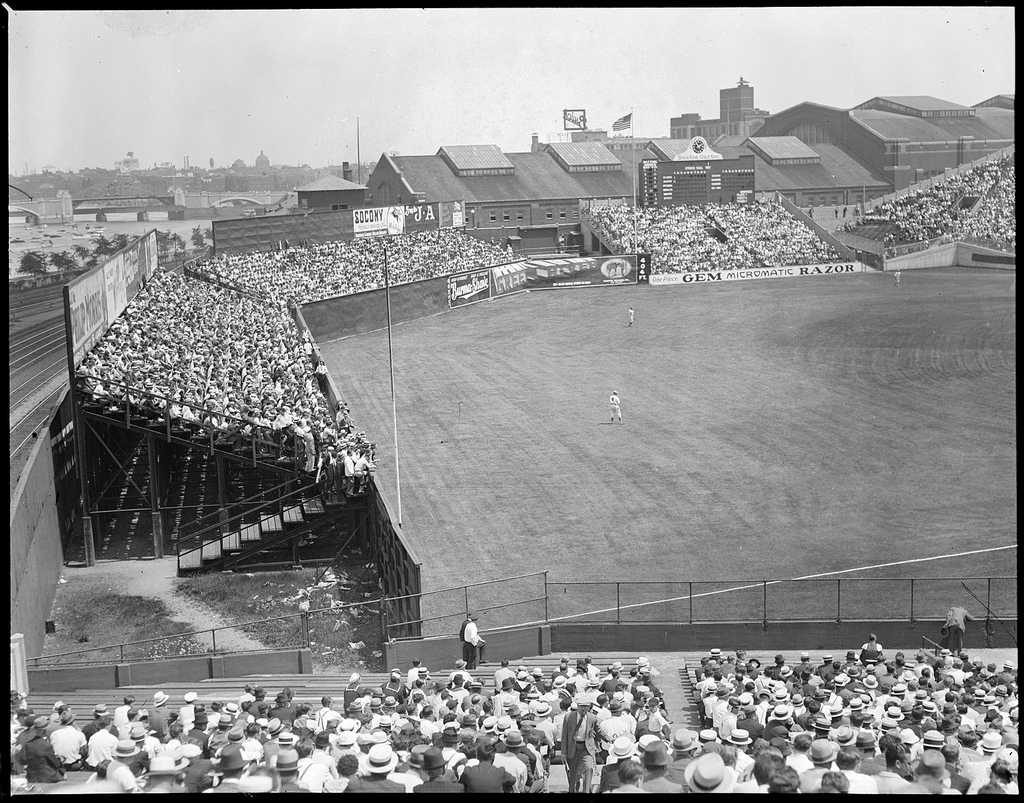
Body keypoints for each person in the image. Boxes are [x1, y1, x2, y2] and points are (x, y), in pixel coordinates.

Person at [562, 694, 600, 793]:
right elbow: (564, 735)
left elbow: (599, 731)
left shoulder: (592, 718)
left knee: (588, 768)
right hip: (573, 748)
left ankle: (586, 791)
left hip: (586, 749)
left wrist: (609, 739)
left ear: (589, 706)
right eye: (581, 706)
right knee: (573, 776)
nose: (583, 708)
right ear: (577, 706)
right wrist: (563, 752)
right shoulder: (568, 717)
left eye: (585, 706)